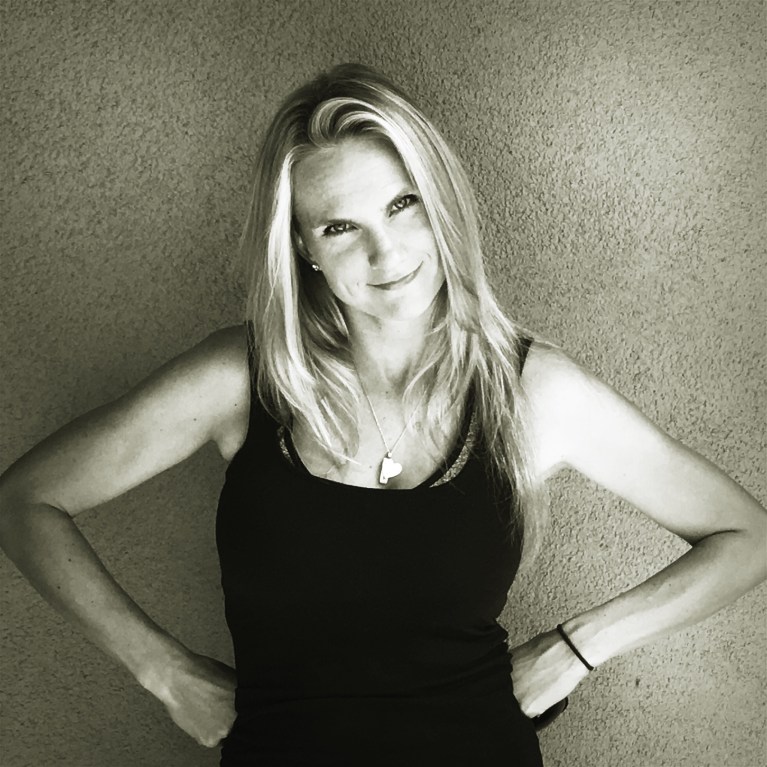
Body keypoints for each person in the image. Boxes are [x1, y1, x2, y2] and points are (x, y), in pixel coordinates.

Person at [0, 63, 764, 767]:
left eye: (403, 205)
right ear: (302, 247)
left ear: (439, 203)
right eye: (340, 227)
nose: (387, 252)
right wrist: (164, 670)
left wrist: (575, 646)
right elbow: (25, 500)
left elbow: (745, 537)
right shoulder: (242, 377)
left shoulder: (531, 389)